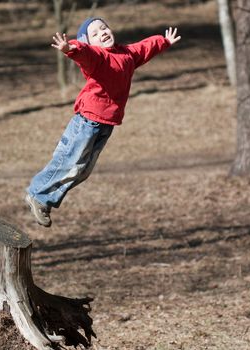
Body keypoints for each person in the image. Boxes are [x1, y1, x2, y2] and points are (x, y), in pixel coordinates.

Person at [25, 17, 181, 227]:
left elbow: (144, 48)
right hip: (87, 121)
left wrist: (164, 41)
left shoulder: (126, 54)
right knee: (69, 161)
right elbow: (84, 54)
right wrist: (71, 47)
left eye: (104, 28)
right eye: (96, 34)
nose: (102, 33)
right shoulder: (97, 57)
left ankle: (45, 199)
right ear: (91, 42)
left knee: (83, 170)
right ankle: (37, 194)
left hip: (105, 124)